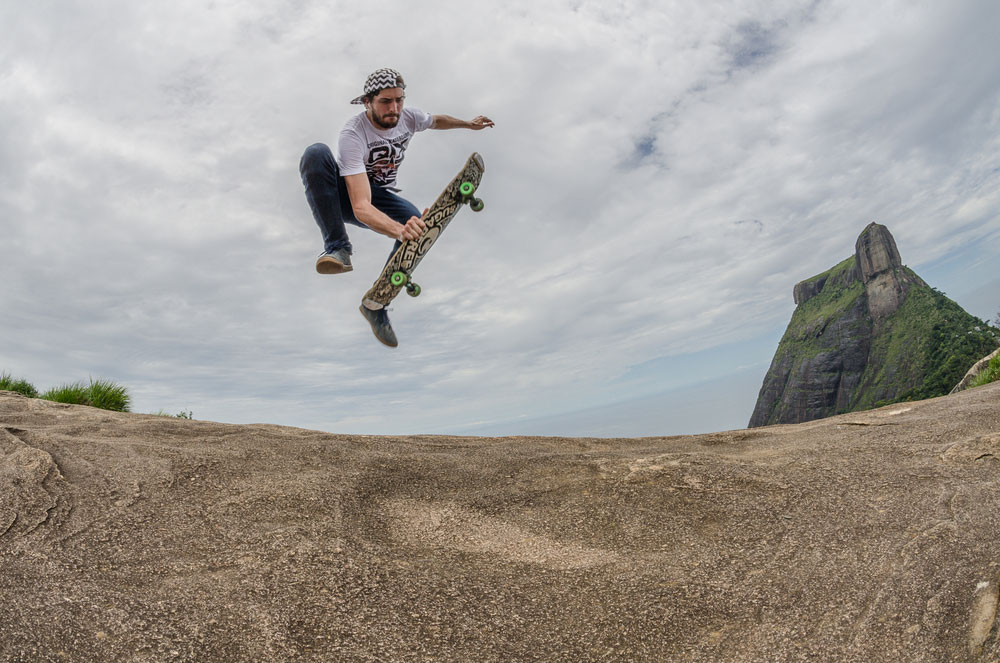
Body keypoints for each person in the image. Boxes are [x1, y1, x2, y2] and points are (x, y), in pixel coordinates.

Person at [299, 68, 494, 347]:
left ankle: (378, 303)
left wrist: (468, 124)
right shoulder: (353, 134)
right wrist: (399, 230)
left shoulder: (409, 117)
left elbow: (437, 120)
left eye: (399, 100)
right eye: (385, 102)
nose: (394, 109)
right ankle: (337, 248)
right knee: (315, 153)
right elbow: (361, 207)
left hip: (379, 194)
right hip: (342, 193)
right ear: (367, 102)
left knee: (417, 222)